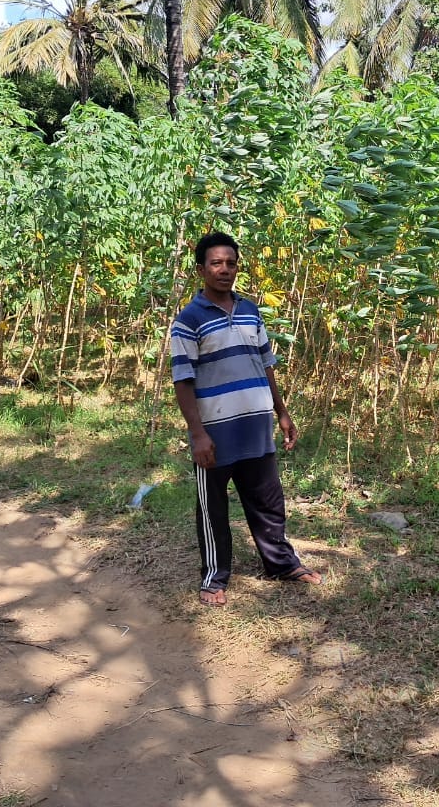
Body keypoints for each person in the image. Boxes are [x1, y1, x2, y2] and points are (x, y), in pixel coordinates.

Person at [170, 232, 322, 607]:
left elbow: (266, 364)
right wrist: (198, 434)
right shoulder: (188, 320)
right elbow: (182, 381)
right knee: (213, 508)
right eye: (216, 263)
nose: (224, 270)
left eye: (231, 263)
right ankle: (213, 578)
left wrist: (281, 412)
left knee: (268, 501)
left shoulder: (251, 310)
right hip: (215, 434)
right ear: (201, 269)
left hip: (256, 427)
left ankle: (281, 564)